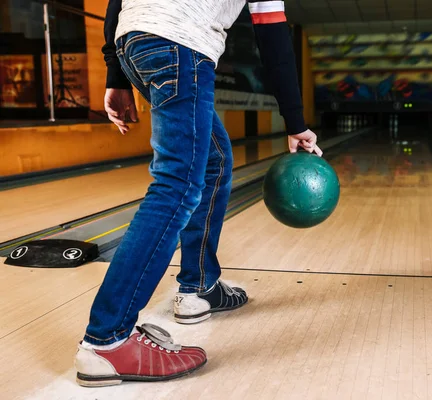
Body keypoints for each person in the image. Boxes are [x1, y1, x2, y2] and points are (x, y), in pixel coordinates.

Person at [74, 0, 322, 387]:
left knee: (212, 162)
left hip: (134, 41)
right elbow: (272, 36)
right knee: (177, 185)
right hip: (180, 44)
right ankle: (107, 339)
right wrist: (296, 122)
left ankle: (199, 286)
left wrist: (117, 74)